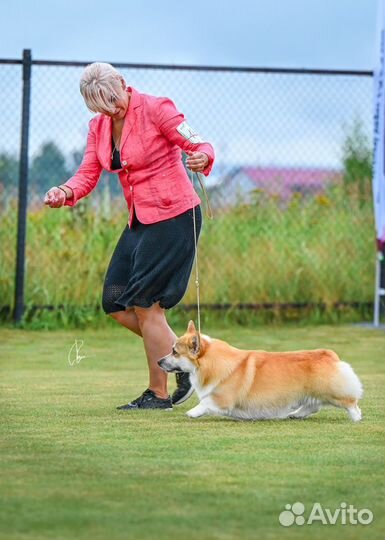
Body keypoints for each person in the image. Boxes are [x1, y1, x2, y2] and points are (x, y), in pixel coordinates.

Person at [44, 62, 215, 411]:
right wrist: (64, 191)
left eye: (114, 102)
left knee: (145, 304)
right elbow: (87, 173)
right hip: (140, 218)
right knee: (115, 300)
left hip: (175, 215)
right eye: (102, 108)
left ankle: (159, 394)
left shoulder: (157, 108)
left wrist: (202, 156)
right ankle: (185, 361)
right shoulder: (99, 127)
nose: (112, 111)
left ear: (123, 83)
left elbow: (197, 142)